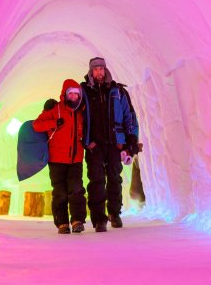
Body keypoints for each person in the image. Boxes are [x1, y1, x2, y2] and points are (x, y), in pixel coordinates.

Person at [81, 57, 140, 232]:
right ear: (91, 72)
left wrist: (130, 141)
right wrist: (86, 142)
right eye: (95, 69)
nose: (99, 72)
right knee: (96, 181)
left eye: (101, 68)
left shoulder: (118, 91)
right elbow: (77, 118)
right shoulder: (85, 92)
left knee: (115, 180)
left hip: (115, 144)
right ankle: (100, 219)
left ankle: (114, 214)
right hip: (94, 146)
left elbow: (130, 116)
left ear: (105, 70)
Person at [33, 79, 87, 234]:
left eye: (76, 94)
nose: (74, 96)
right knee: (60, 192)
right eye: (71, 93)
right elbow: (37, 125)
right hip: (57, 159)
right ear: (65, 94)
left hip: (75, 159)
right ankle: (62, 223)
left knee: (76, 190)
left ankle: (77, 221)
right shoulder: (55, 109)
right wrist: (54, 123)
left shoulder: (81, 112)